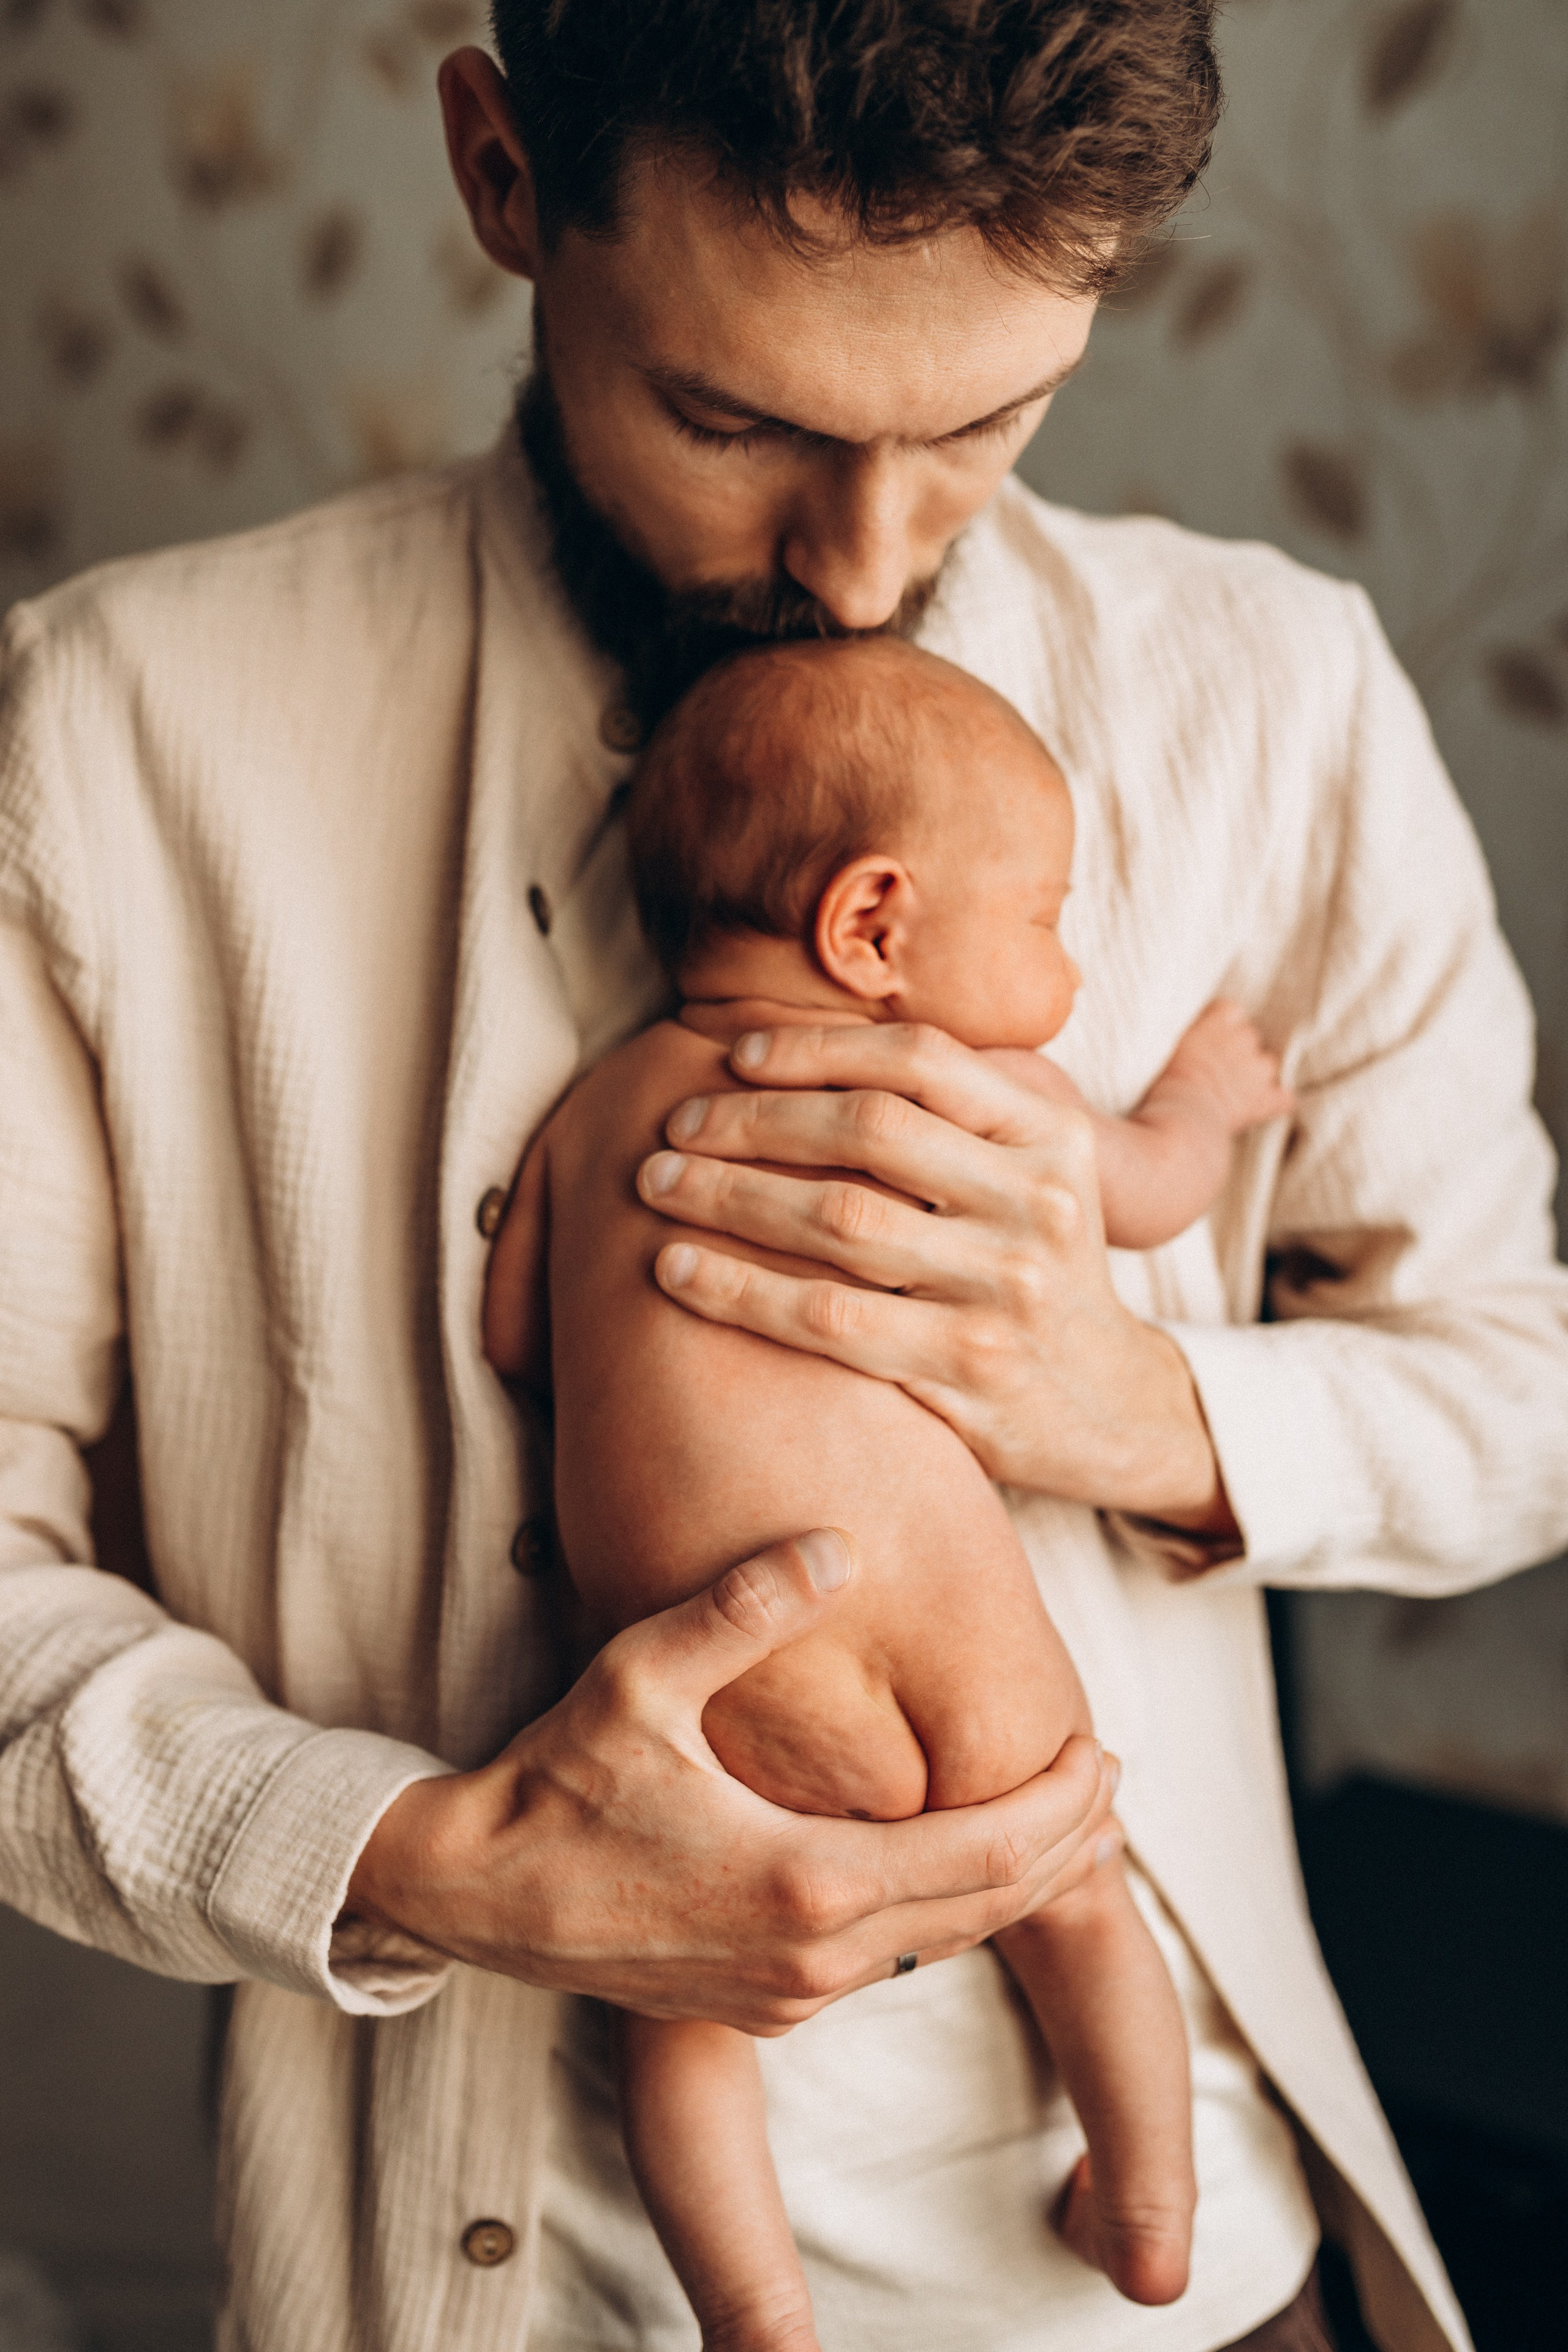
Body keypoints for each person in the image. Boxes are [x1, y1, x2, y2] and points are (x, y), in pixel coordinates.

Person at [0, 5, 1563, 2349]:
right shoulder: (115, 739)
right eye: (735, 421)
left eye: (984, 428)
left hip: (1179, 2299)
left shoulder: (1275, 698)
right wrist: (446, 1865)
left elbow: (1525, 1391)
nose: (860, 568)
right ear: (506, 175)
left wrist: (1125, 1398)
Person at [482, 633, 1298, 2348]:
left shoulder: (593, 1108)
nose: (1064, 968)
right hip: (941, 1612)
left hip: (707, 1665)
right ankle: (1148, 2207)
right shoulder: (963, 1089)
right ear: (872, 928)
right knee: (1073, 1886)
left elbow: (507, 1331)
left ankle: (755, 2312)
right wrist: (1207, 1110)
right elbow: (1145, 1198)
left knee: (681, 1999)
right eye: (1044, 920)